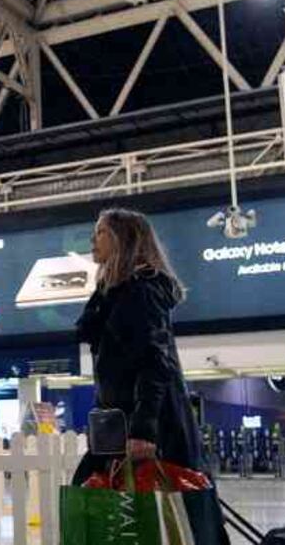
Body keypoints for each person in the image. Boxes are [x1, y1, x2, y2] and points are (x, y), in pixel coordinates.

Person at [73, 208, 205, 485]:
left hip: (144, 428)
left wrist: (144, 430)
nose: (93, 240)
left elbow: (155, 362)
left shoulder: (142, 290)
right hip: (117, 423)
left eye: (101, 232)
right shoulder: (114, 293)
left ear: (124, 239)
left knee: (151, 515)